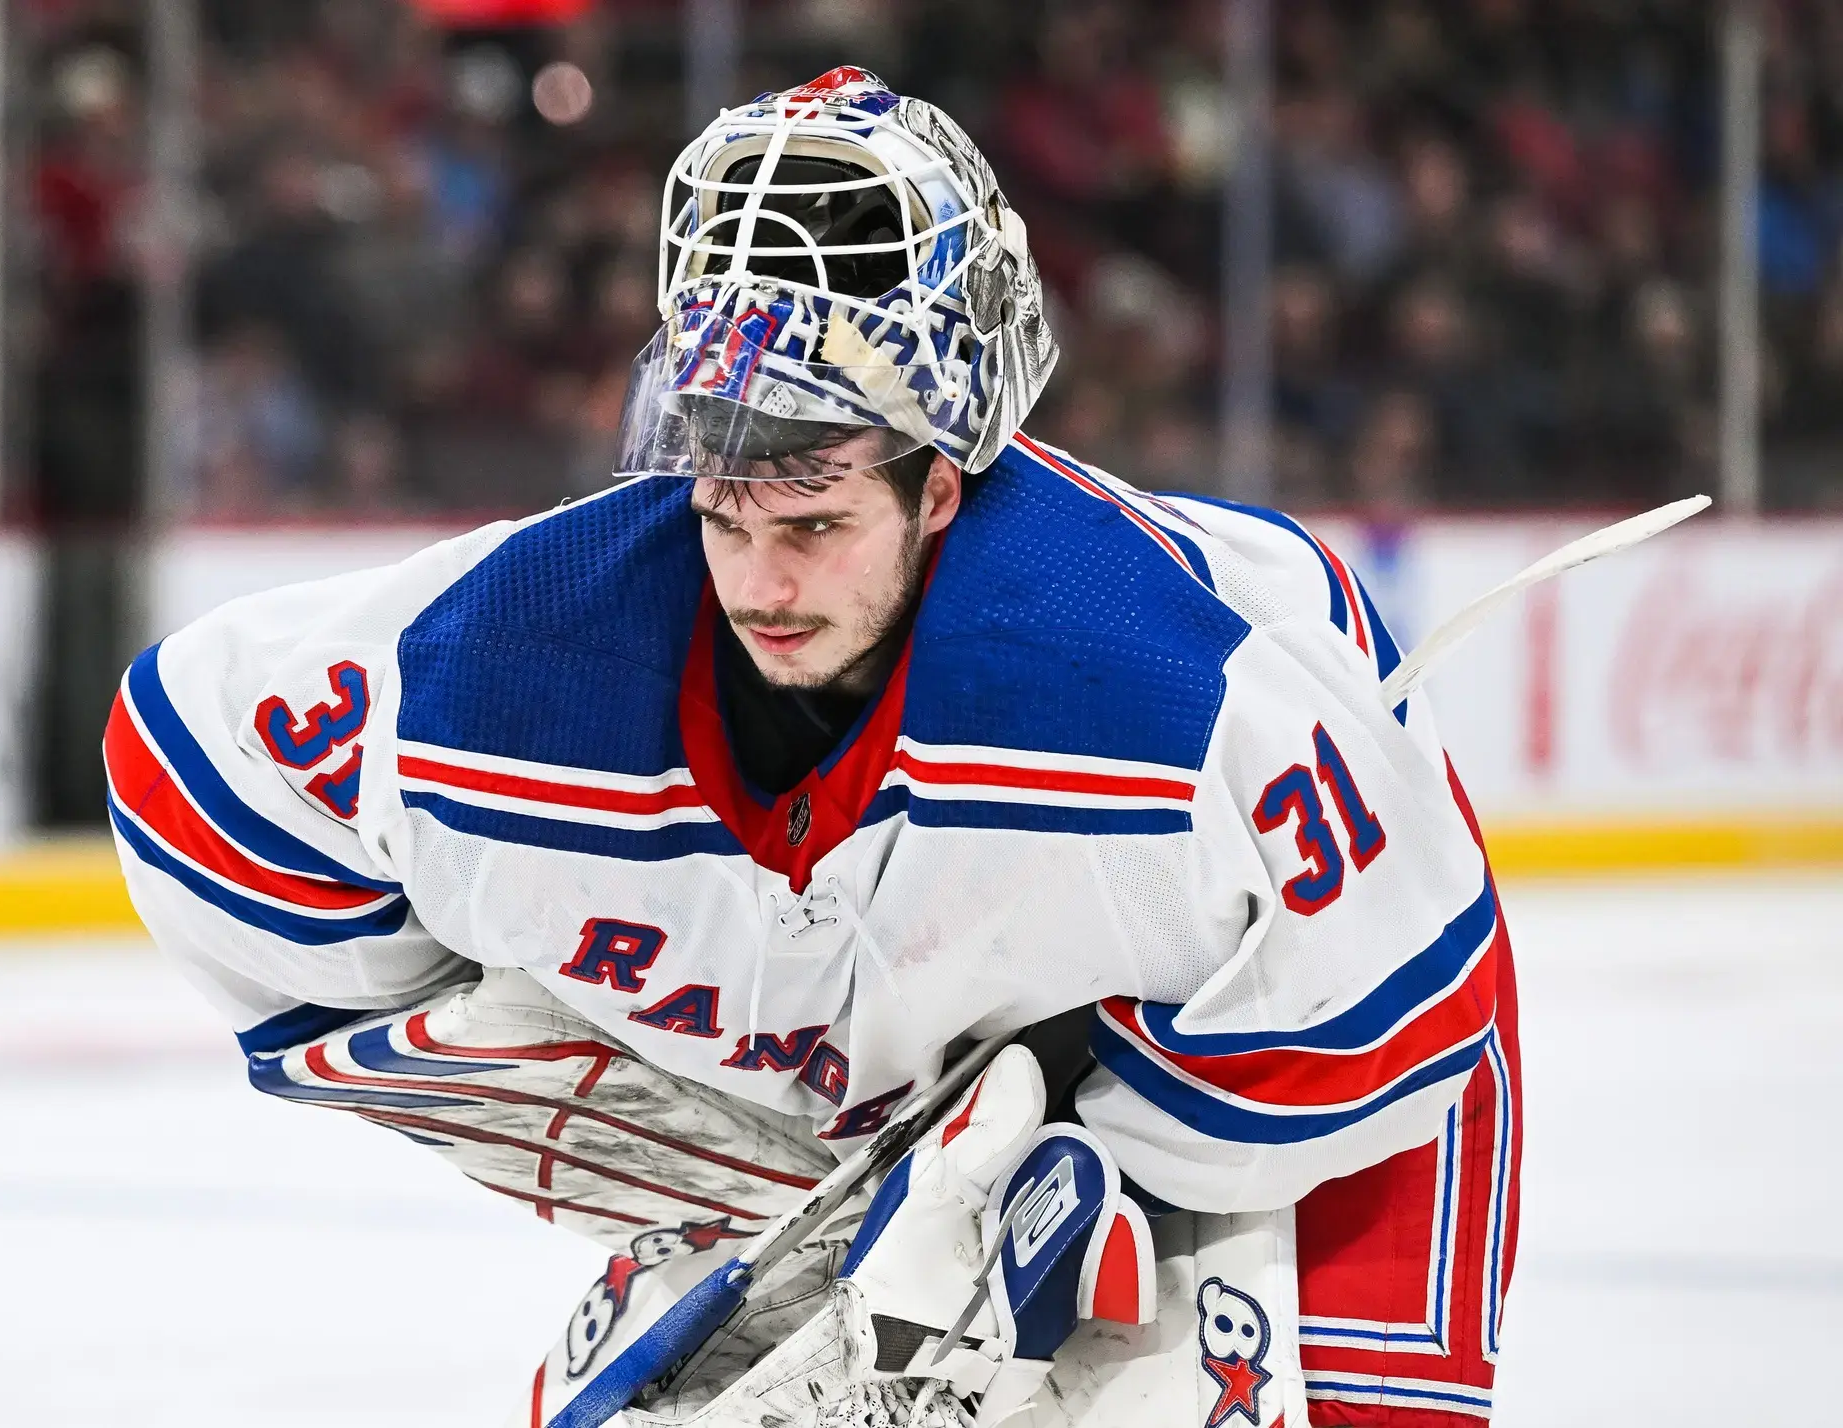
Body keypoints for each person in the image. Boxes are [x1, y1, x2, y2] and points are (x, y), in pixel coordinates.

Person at [107, 68, 1518, 1428]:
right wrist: (645, 1112)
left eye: (818, 523)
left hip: (1319, 1048)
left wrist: (1105, 1175)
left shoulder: (1167, 692)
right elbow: (189, 764)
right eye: (726, 514)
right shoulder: (510, 649)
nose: (761, 585)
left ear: (942, 488)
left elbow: (1410, 998)